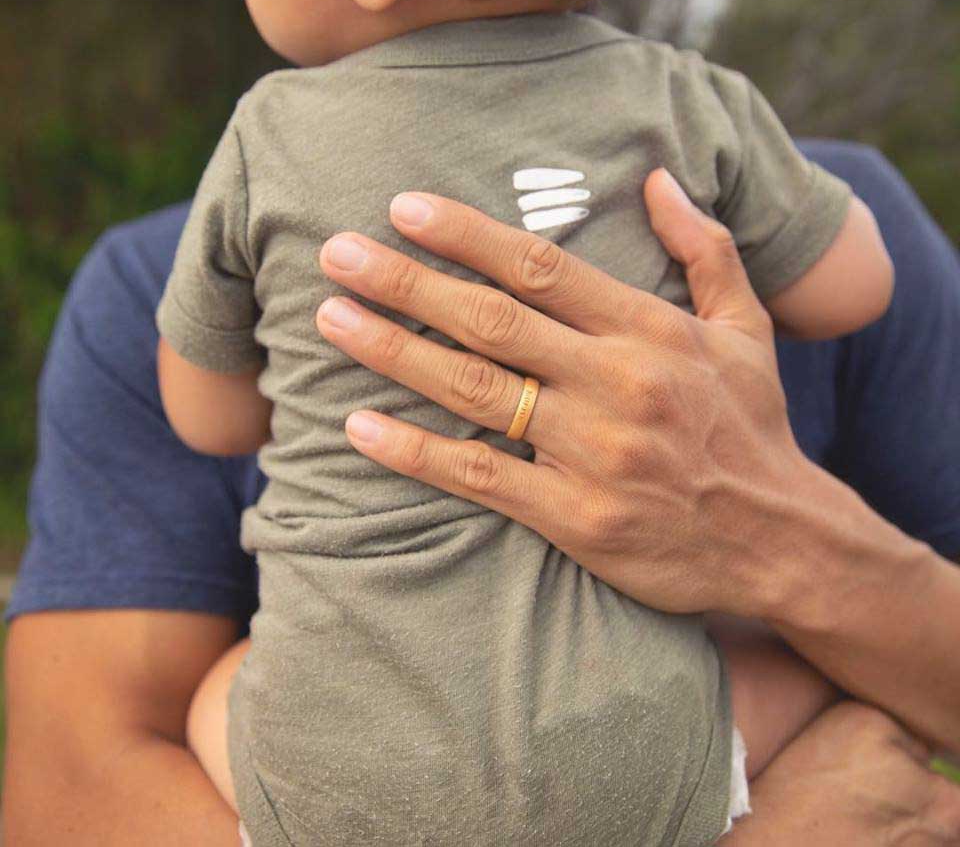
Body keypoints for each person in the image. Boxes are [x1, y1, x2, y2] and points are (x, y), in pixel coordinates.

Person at [150, 0, 898, 841]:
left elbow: (207, 420)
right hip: (635, 763)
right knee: (811, 657)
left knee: (218, 686)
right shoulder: (681, 98)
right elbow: (856, 288)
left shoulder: (269, 134)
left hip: (335, 776)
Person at [3, 142, 960, 845]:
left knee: (228, 699)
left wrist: (773, 532)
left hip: (350, 774)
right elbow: (68, 796)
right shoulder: (153, 291)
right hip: (703, 751)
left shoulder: (189, 287)